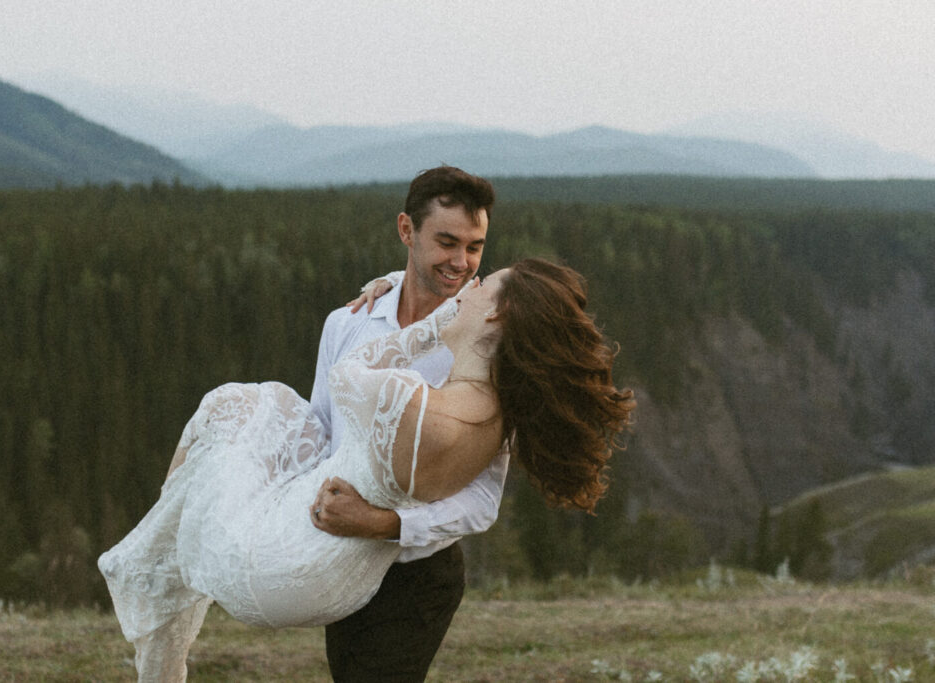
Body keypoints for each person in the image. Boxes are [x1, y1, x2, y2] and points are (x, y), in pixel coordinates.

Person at [98, 256, 635, 682]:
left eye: (481, 283)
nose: (467, 282)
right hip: (346, 575)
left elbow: (348, 374)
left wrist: (430, 326)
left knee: (234, 400)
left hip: (302, 563)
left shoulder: (411, 400)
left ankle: (153, 584)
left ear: (494, 315)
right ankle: (156, 569)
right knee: (272, 407)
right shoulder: (495, 415)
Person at [307, 165, 505, 681]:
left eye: (475, 246)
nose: (461, 262)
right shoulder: (345, 323)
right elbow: (321, 434)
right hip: (343, 564)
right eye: (446, 242)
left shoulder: (486, 345)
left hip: (419, 574)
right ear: (406, 231)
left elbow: (484, 500)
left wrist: (385, 524)